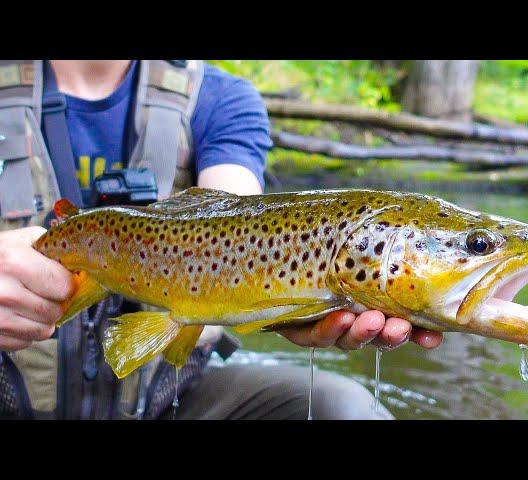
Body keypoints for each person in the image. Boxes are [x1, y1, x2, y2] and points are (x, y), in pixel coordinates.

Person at [0, 60, 443, 420]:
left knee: (346, 408)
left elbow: (243, 222)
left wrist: (291, 300)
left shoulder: (219, 97)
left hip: (170, 397)